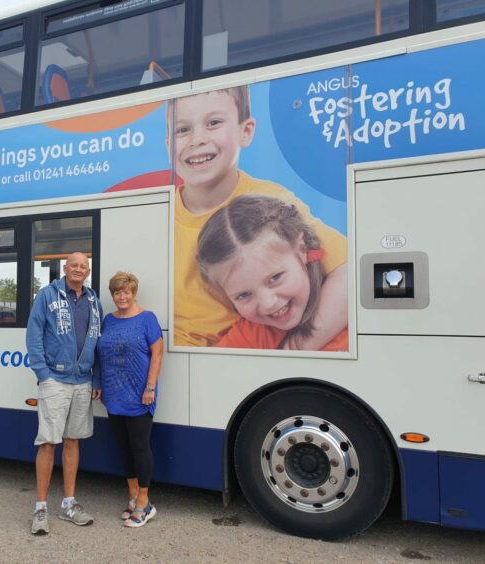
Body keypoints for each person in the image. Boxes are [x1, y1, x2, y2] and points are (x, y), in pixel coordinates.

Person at [169, 86, 348, 348]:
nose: (197, 139)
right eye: (182, 129)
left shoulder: (272, 199)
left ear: (246, 131)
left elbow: (349, 272)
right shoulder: (157, 215)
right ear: (167, 145)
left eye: (214, 123)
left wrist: (295, 349)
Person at [197, 194, 347, 350]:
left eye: (275, 278)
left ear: (302, 249)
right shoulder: (253, 335)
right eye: (243, 295)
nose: (268, 304)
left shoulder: (352, 323)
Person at [25, 252, 103, 535]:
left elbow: (98, 342)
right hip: (54, 380)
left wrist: (96, 379)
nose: (78, 269)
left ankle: (68, 504)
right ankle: (41, 508)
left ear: (88, 270)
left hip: (83, 382)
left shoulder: (94, 301)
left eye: (83, 266)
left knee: (73, 442)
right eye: (73, 265)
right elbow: (33, 335)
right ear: (65, 268)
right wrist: (43, 375)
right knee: (48, 442)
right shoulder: (47, 295)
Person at [96, 271, 163, 527]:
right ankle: (133, 496)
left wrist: (150, 387)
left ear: (133, 293)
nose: (121, 296)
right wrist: (100, 384)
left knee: (139, 447)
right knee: (123, 448)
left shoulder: (147, 318)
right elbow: (100, 354)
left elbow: (157, 354)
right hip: (114, 394)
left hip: (139, 395)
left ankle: (145, 503)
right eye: (117, 292)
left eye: (125, 291)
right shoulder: (108, 321)